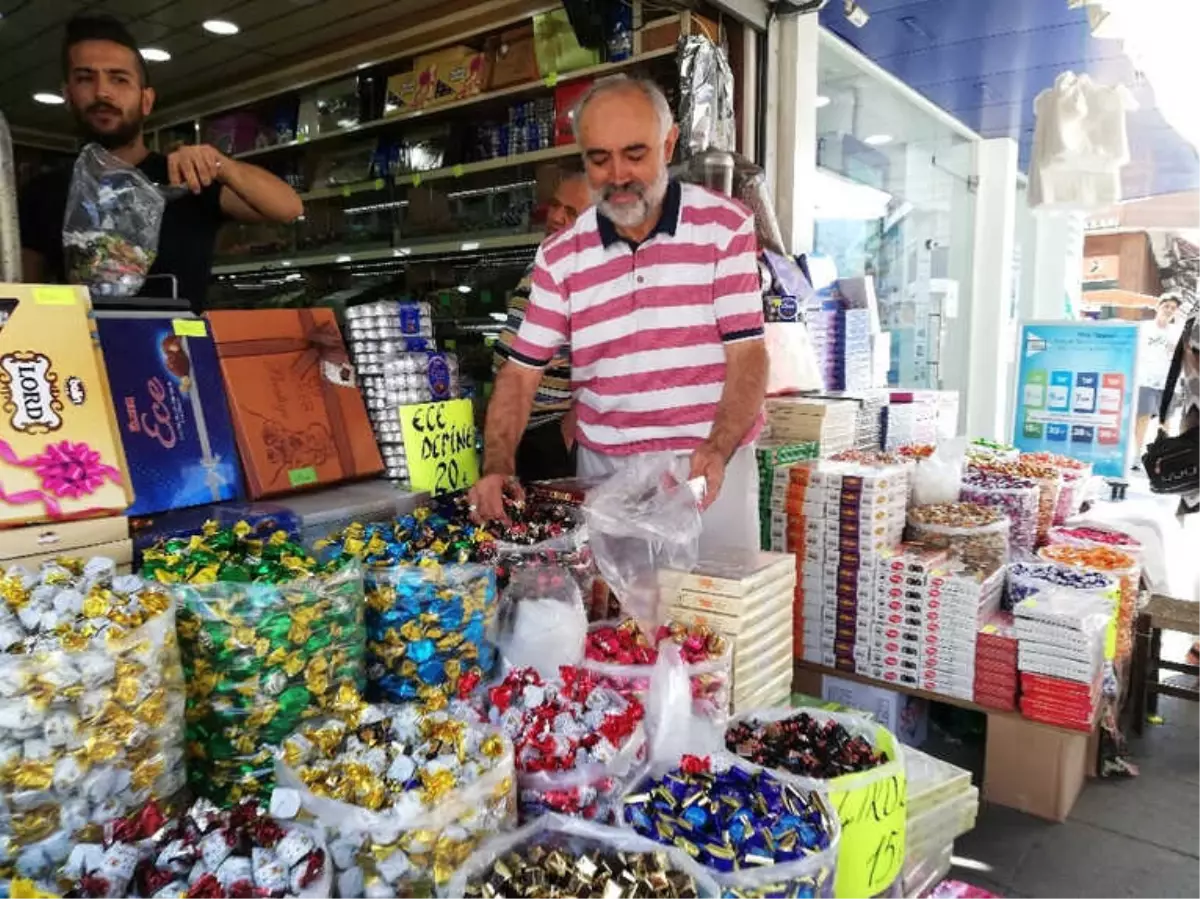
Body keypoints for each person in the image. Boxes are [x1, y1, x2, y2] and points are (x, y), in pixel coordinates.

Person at [469, 75, 768, 553]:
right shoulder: (560, 255)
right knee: (617, 620)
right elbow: (520, 375)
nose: (618, 175)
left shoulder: (725, 226)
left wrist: (718, 447)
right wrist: (498, 465)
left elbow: (748, 354)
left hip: (706, 468)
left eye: (635, 154)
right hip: (607, 476)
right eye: (599, 158)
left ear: (668, 144)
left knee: (720, 612)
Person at [19, 14, 303, 309]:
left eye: (119, 78)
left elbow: (288, 208)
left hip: (177, 351)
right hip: (79, 352)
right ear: (68, 95)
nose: (102, 91)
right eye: (85, 78)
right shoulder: (42, 193)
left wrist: (220, 164)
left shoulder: (188, 178)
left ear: (146, 99)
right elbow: (24, 297)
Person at [492, 172, 592, 481]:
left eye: (572, 213)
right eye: (555, 206)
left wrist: (567, 432)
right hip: (519, 426)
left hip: (550, 434)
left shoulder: (590, 277)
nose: (558, 217)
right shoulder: (543, 263)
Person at [1134, 296, 1182, 462]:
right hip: (1146, 379)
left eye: (1173, 308)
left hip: (1168, 382)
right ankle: (1136, 455)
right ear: (1158, 307)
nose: (1168, 310)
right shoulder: (1144, 328)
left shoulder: (1177, 331)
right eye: (1166, 306)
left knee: (1166, 420)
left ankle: (1161, 458)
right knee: (1143, 416)